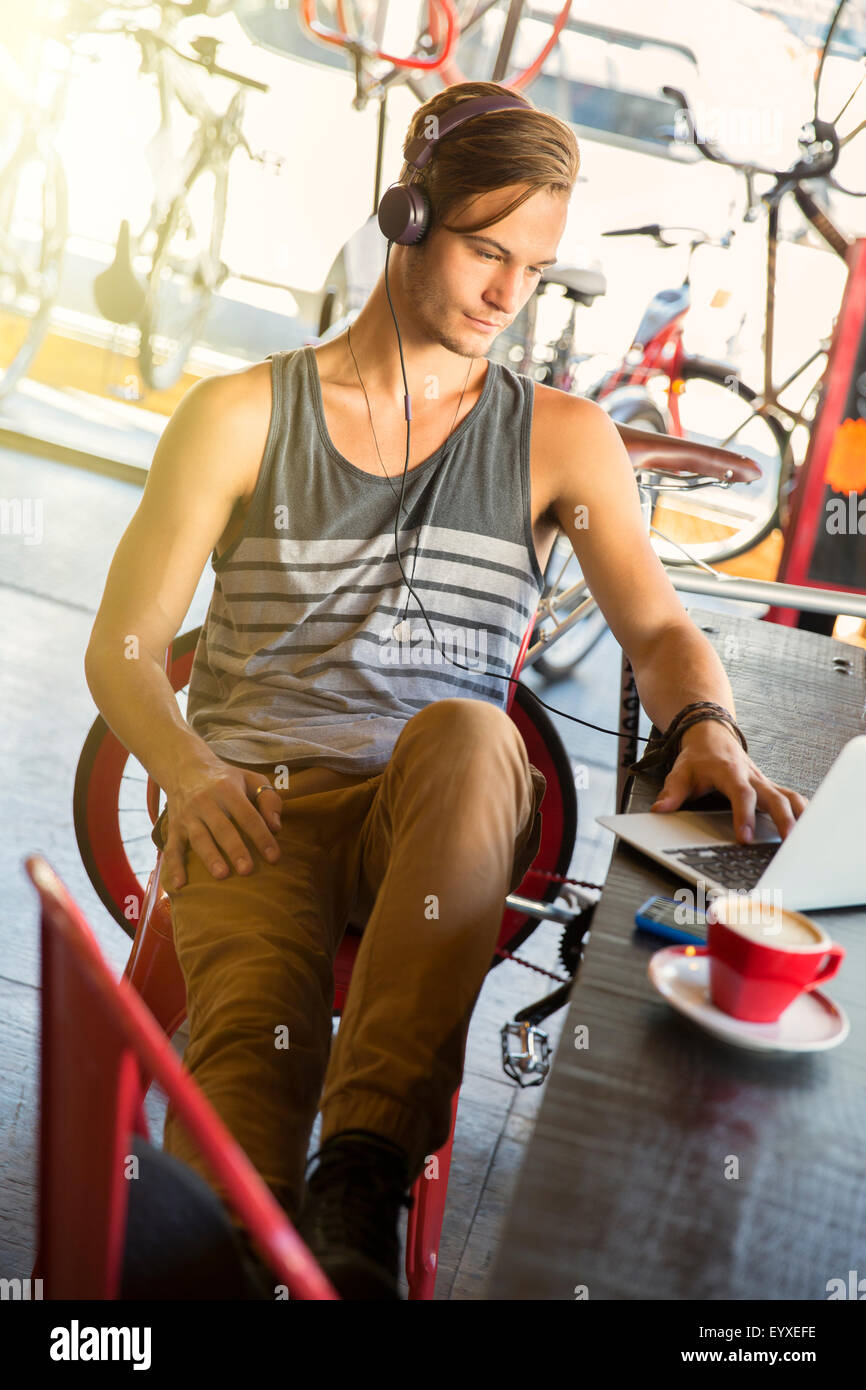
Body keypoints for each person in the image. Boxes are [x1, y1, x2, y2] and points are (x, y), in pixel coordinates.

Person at [85, 80, 808, 1300]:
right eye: (486, 251)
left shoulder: (559, 438)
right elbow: (122, 647)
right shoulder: (239, 415)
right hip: (252, 806)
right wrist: (190, 770)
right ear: (406, 219)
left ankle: (359, 1178)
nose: (508, 294)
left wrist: (710, 729)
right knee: (241, 1107)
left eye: (534, 264)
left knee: (477, 733)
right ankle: (226, 1245)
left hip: (433, 811)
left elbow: (658, 625)